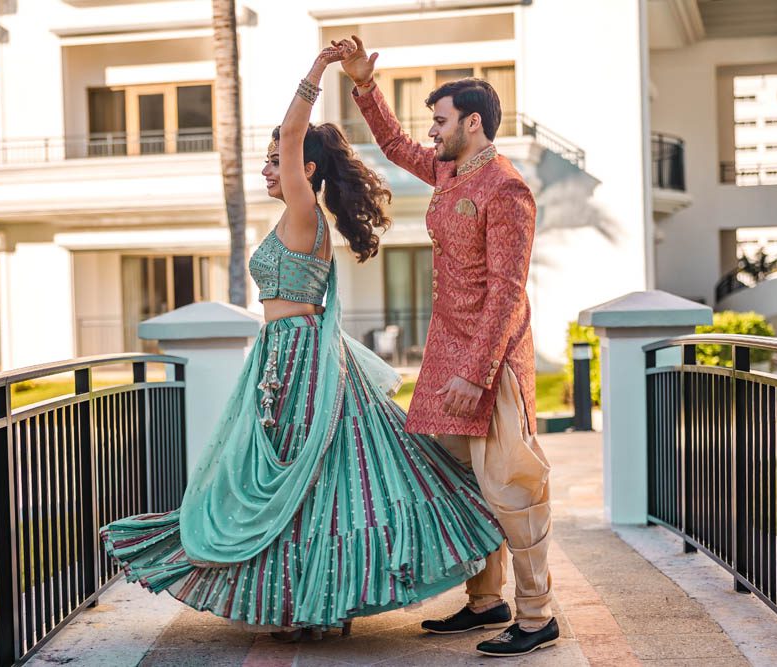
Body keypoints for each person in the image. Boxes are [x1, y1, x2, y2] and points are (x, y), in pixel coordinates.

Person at [99, 42, 504, 640]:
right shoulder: (299, 217)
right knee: (313, 483)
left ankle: (310, 603)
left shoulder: (301, 211)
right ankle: (309, 602)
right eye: (268, 163)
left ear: (305, 171)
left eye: (275, 162)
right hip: (289, 356)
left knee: (299, 479)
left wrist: (318, 71)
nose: (269, 169)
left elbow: (293, 135)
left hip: (296, 358)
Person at [337, 36, 558, 657]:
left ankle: (538, 616)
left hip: (491, 366)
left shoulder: (507, 191)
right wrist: (362, 84)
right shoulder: (447, 170)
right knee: (462, 484)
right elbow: (394, 145)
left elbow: (508, 293)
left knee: (512, 486)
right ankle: (485, 602)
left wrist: (479, 370)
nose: (430, 133)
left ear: (473, 122)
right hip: (445, 360)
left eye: (439, 121)